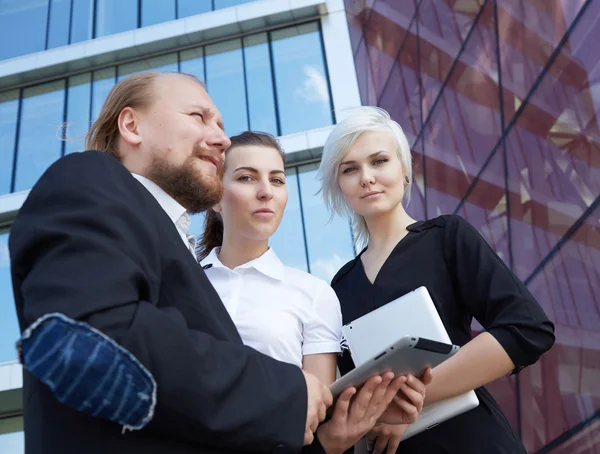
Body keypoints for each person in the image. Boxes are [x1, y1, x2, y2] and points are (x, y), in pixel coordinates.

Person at [9, 71, 333, 454]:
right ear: (132, 125)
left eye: (221, 125)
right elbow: (93, 336)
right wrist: (288, 394)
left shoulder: (168, 241)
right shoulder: (89, 177)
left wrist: (330, 434)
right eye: (199, 116)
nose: (222, 139)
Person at [317, 106, 556, 454]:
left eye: (379, 161)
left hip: (473, 441)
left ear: (404, 169)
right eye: (350, 169)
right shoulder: (338, 287)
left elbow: (527, 328)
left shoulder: (446, 237)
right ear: (339, 185)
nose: (366, 177)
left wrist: (409, 403)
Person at [197, 131, 432, 453]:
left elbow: (317, 416)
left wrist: (374, 405)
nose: (266, 192)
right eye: (247, 178)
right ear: (215, 196)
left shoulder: (313, 293)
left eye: (277, 180)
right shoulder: (178, 283)